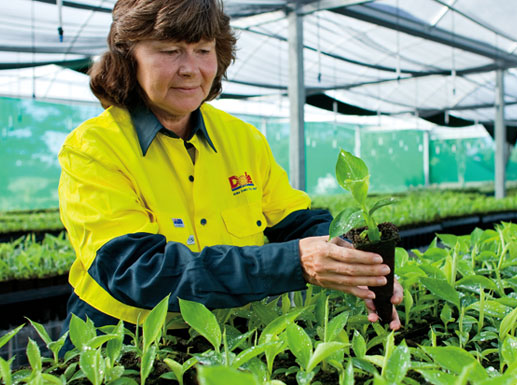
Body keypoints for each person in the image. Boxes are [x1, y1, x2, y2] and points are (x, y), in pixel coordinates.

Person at [57, 0, 402, 341]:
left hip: (228, 335)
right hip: (123, 340)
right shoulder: (94, 149)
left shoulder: (243, 139)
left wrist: (356, 260)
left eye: (203, 50)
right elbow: (137, 270)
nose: (191, 68)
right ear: (129, 57)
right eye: (170, 51)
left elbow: (294, 220)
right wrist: (293, 262)